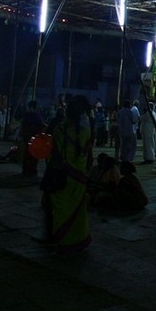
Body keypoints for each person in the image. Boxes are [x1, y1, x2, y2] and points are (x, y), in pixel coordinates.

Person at [45, 95, 93, 254]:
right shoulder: (86, 130)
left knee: (60, 209)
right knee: (79, 212)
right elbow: (88, 155)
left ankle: (62, 240)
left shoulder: (60, 129)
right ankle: (79, 240)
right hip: (79, 177)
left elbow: (55, 154)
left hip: (64, 175)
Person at [19, 100, 46, 177]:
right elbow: (41, 125)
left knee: (27, 153)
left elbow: (23, 125)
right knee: (33, 154)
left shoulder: (27, 115)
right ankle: (32, 170)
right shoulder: (36, 115)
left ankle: (26, 170)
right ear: (35, 107)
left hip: (26, 136)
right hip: (34, 137)